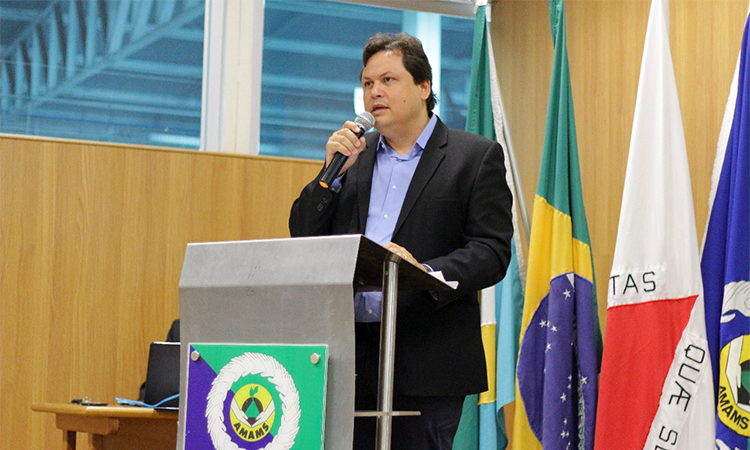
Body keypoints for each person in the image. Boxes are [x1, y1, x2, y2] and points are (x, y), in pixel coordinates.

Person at [289, 32, 512, 450]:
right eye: (368, 83)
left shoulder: (473, 157)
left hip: (427, 355)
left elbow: (492, 251)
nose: (375, 92)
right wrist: (329, 175)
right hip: (349, 356)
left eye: (388, 80)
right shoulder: (352, 159)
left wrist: (424, 273)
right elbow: (302, 236)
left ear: (424, 87)